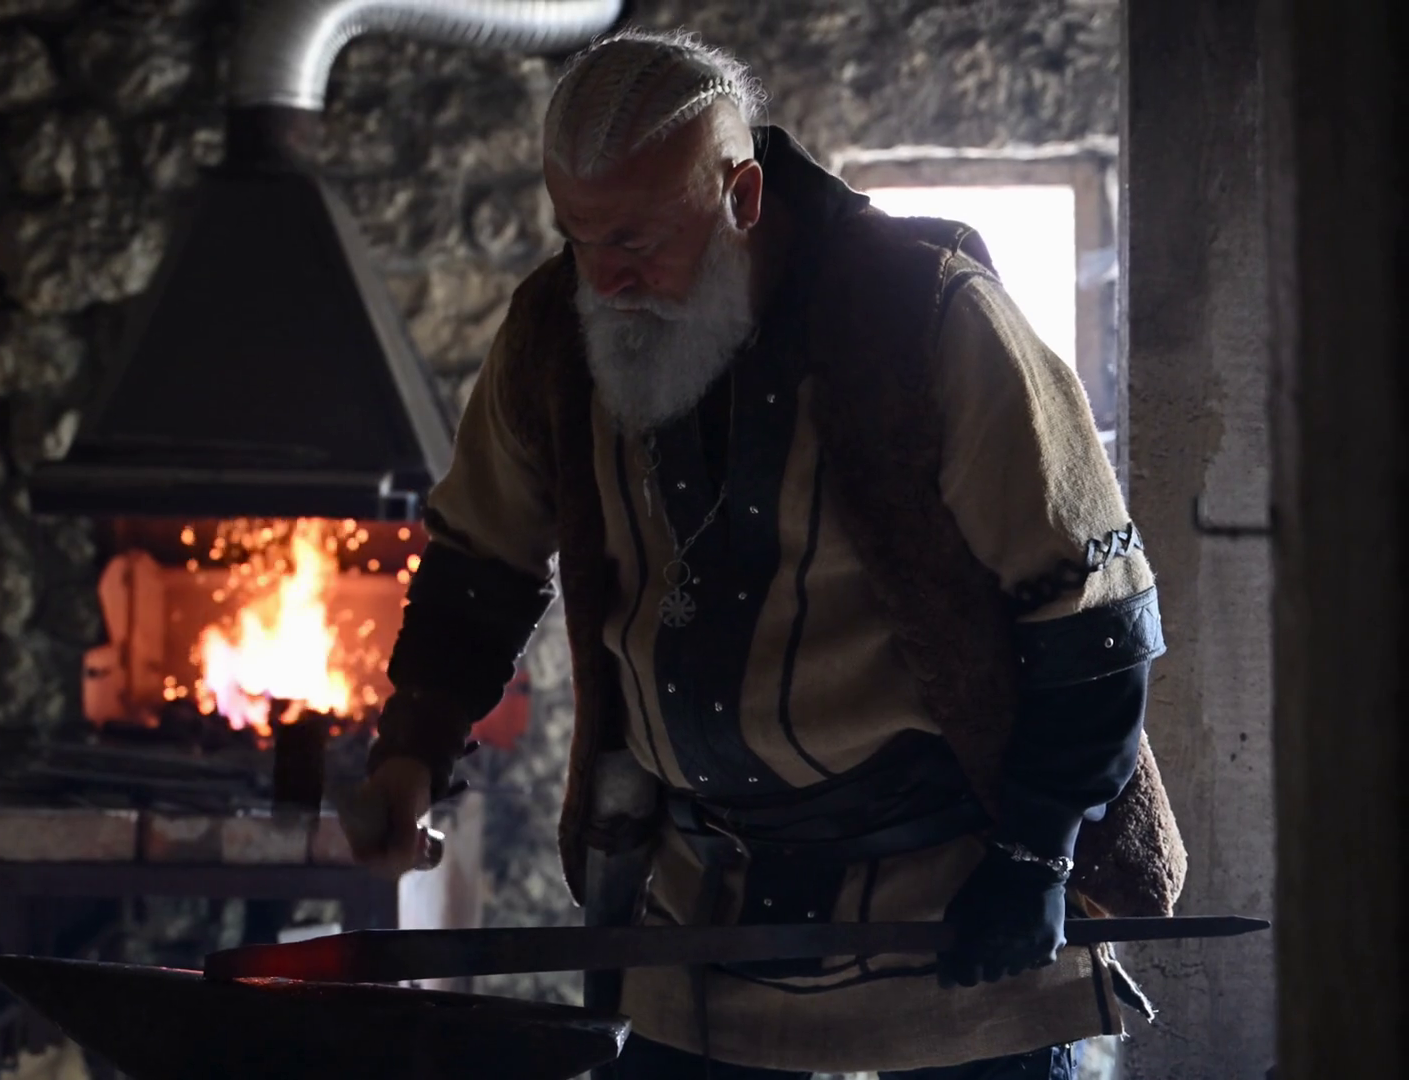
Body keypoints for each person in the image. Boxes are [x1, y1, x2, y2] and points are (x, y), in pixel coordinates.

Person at [343, 27, 1185, 1080]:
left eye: (638, 241)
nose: (606, 280)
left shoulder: (930, 317)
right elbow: (482, 565)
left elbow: (1092, 619)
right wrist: (414, 747)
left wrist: (1033, 856)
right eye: (579, 237)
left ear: (742, 195)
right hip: (701, 908)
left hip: (952, 895)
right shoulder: (555, 332)